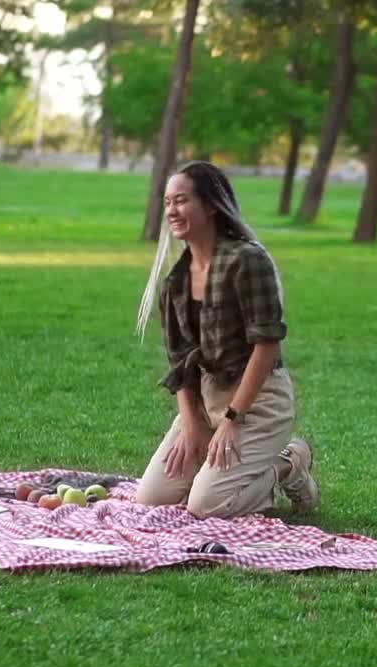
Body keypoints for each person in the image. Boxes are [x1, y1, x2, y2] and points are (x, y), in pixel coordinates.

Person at [133, 161, 318, 519]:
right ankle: (223, 472)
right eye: (168, 201)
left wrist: (232, 420)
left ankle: (288, 464)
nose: (171, 210)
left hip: (258, 400)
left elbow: (267, 347)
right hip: (206, 400)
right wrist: (191, 426)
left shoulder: (248, 261)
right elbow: (180, 364)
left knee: (206, 505)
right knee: (153, 498)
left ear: (212, 206)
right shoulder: (175, 283)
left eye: (182, 200)